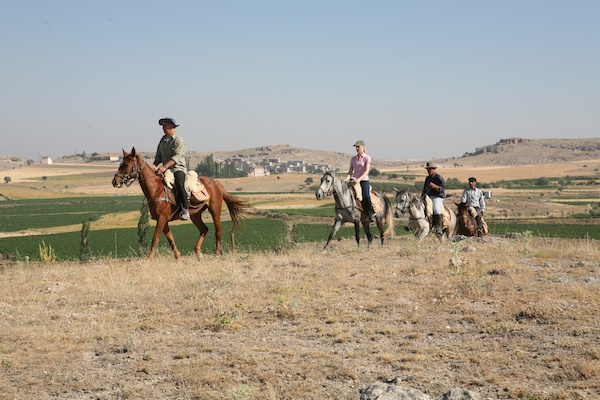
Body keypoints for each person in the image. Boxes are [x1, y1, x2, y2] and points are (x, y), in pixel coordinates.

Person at [152, 117, 189, 220]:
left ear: (172, 127)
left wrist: (164, 166)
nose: (163, 128)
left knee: (179, 184)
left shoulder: (179, 140)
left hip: (177, 168)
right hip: (166, 169)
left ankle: (185, 209)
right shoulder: (163, 140)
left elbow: (177, 157)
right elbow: (159, 156)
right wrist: (154, 165)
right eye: (163, 126)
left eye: (165, 126)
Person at [344, 140, 376, 222]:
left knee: (366, 196)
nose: (357, 148)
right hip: (354, 180)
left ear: (363, 147)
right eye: (356, 147)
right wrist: (346, 179)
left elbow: (367, 171)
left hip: (364, 180)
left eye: (358, 147)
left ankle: (370, 214)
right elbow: (350, 171)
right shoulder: (353, 159)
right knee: (345, 193)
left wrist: (359, 179)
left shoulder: (367, 158)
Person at [422, 161, 446, 234]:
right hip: (428, 196)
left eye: (429, 169)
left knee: (436, 208)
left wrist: (435, 186)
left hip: (437, 197)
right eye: (427, 169)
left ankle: (438, 227)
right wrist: (422, 197)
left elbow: (442, 189)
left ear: (434, 169)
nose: (428, 171)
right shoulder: (427, 178)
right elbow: (424, 189)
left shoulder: (439, 177)